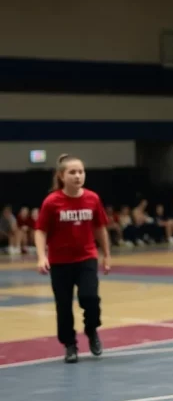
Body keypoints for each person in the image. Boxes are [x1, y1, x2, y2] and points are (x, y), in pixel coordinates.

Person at [34, 154, 111, 364]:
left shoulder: (92, 199)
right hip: (60, 262)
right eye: (72, 172)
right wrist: (42, 257)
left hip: (86, 258)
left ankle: (92, 329)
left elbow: (100, 228)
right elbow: (40, 231)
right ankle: (70, 345)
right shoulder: (52, 202)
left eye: (81, 172)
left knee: (90, 298)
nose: (78, 176)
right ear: (61, 176)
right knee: (64, 306)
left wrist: (106, 255)